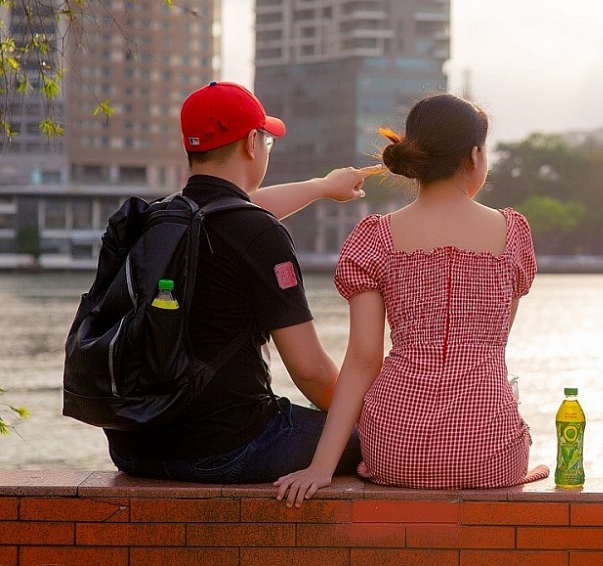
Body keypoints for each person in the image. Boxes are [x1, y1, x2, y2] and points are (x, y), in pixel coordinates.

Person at [274, 93, 549, 507]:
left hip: (396, 451)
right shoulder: (512, 235)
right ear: (475, 156)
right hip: (488, 452)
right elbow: (495, 347)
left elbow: (363, 359)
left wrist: (321, 468)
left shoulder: (375, 237)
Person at [105, 80, 366, 484]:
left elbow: (238, 208)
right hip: (229, 449)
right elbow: (310, 370)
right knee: (374, 441)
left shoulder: (156, 219)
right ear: (250, 143)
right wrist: (366, 417)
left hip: (133, 447)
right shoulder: (258, 234)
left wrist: (322, 187)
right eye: (266, 141)